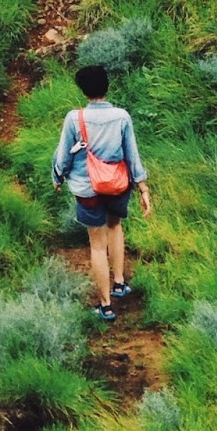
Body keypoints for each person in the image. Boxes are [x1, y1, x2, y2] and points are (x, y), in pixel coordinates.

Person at [52, 63, 152, 321]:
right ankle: (119, 283)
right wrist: (142, 187)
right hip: (118, 184)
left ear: (84, 91)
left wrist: (57, 177)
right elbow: (133, 154)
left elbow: (63, 155)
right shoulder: (122, 116)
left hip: (88, 188)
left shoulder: (75, 118)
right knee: (115, 226)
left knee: (97, 245)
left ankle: (105, 305)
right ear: (107, 87)